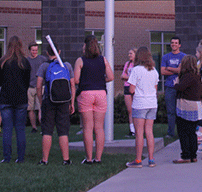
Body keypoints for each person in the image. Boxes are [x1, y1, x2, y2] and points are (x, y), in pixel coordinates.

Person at [74, 35, 114, 164]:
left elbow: (76, 80)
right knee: (99, 128)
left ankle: (89, 158)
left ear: (85, 46)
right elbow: (111, 77)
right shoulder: (103, 60)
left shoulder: (80, 61)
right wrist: (101, 81)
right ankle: (98, 158)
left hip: (86, 93)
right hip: (101, 93)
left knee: (87, 127)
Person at [37, 43, 74, 165]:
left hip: (49, 100)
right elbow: (72, 85)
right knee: (63, 130)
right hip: (64, 101)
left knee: (47, 130)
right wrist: (71, 102)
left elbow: (38, 86)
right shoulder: (67, 65)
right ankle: (66, 159)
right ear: (59, 51)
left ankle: (45, 160)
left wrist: (41, 101)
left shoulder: (44, 66)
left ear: (47, 53)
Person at [0, 36, 31, 163]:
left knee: (7, 129)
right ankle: (20, 158)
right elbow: (27, 81)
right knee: (20, 129)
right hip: (21, 98)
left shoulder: (3, 61)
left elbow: (1, 80)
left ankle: (7, 157)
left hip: (6, 98)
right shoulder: (24, 62)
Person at [125, 46, 158, 168]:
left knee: (139, 133)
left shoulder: (136, 70)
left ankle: (138, 160)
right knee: (149, 132)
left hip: (140, 103)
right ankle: (151, 159)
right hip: (152, 103)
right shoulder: (154, 70)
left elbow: (131, 89)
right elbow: (155, 89)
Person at [173, 55, 202, 164]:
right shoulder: (196, 76)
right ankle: (193, 155)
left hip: (186, 106)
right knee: (192, 132)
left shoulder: (187, 76)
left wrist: (175, 84)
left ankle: (185, 155)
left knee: (183, 132)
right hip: (196, 106)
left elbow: (180, 88)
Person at [160, 36, 184, 138]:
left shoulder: (184, 56)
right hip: (169, 87)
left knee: (181, 111)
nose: (174, 44)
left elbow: (182, 71)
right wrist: (176, 69)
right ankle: (171, 133)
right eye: (172, 43)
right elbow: (162, 71)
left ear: (179, 45)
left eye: (176, 43)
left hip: (181, 87)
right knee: (171, 111)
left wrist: (169, 68)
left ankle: (181, 132)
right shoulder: (165, 57)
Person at [27, 42, 47, 132]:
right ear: (29, 50)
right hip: (30, 87)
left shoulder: (42, 59)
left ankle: (43, 126)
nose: (34, 52)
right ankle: (34, 127)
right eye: (32, 50)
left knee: (40, 107)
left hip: (41, 86)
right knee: (30, 108)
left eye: (36, 50)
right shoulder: (27, 60)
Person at [121, 48, 136, 137]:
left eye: (131, 53)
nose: (129, 55)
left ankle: (138, 128)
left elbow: (135, 78)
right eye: (129, 53)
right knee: (129, 110)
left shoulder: (138, 65)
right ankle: (132, 130)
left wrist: (127, 77)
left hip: (134, 87)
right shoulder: (127, 64)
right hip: (127, 87)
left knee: (136, 109)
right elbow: (123, 75)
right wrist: (128, 77)